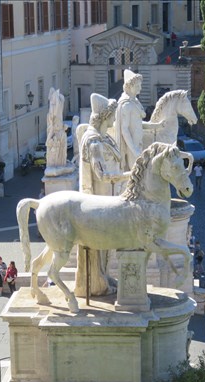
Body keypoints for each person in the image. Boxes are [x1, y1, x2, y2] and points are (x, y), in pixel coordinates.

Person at [75, 93, 130, 297]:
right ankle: (96, 283)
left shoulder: (104, 138)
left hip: (108, 200)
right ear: (105, 117)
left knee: (105, 245)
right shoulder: (94, 142)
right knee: (99, 245)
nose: (115, 119)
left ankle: (102, 277)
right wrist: (130, 175)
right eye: (112, 116)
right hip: (98, 202)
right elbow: (103, 175)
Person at [113, 69, 164, 171]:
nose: (140, 89)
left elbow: (138, 124)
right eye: (137, 86)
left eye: (140, 85)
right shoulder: (126, 105)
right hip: (132, 147)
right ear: (129, 86)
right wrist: (133, 150)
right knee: (136, 175)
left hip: (138, 143)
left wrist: (156, 125)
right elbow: (124, 129)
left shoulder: (135, 102)